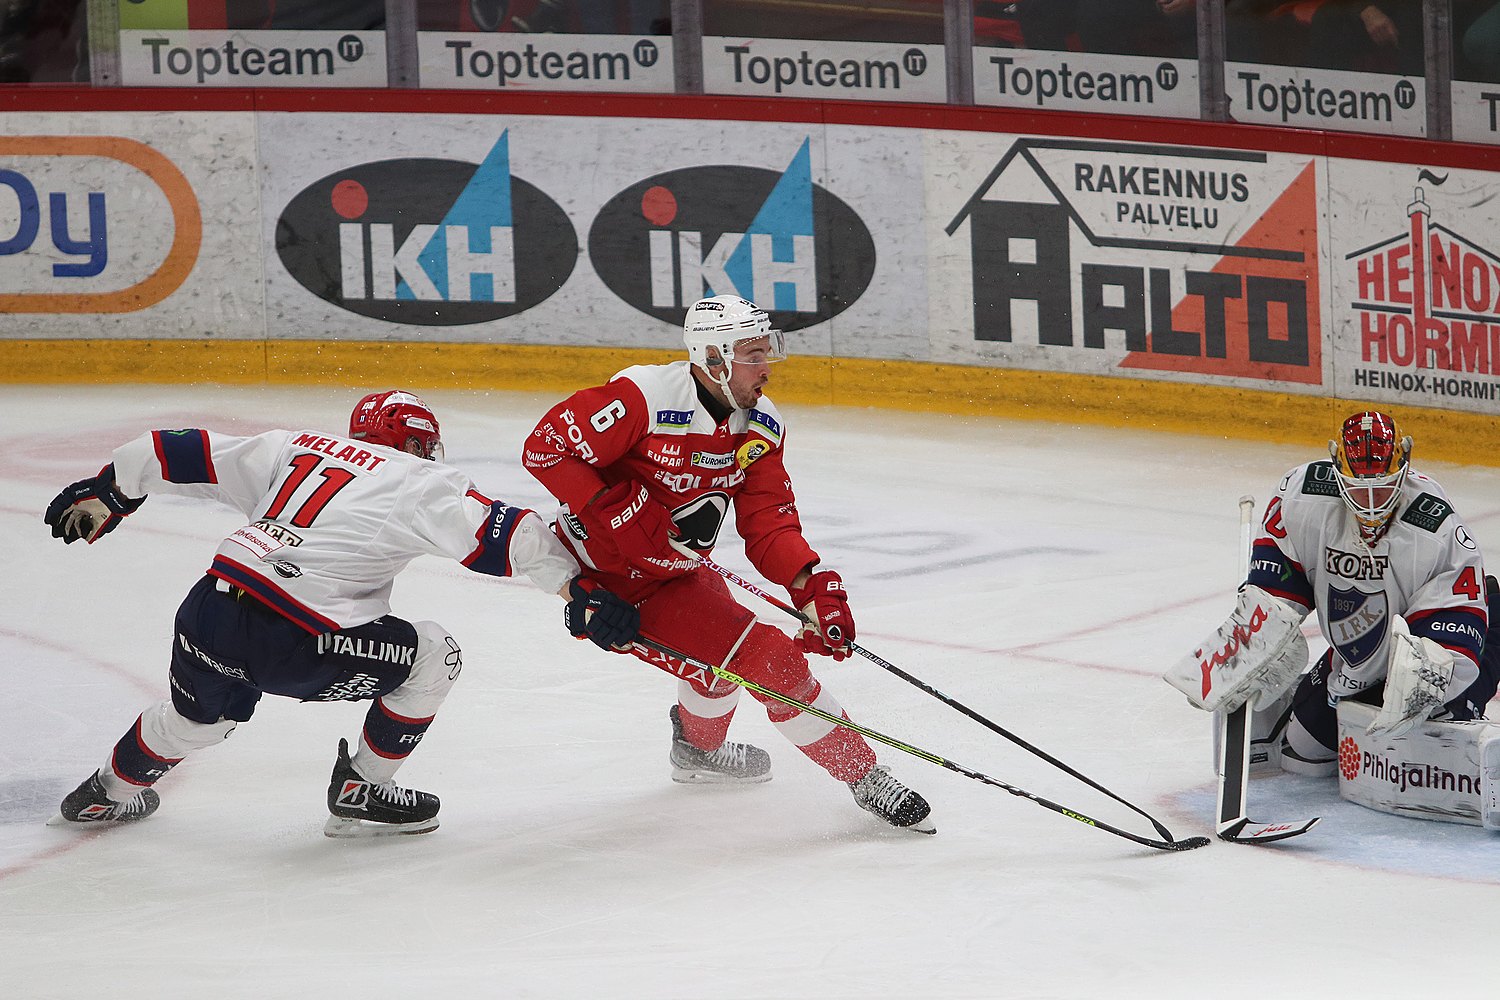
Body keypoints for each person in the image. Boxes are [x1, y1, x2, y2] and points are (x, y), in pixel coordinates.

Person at [44, 390, 638, 837]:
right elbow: (515, 539)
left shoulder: (294, 447)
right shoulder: (418, 479)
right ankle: (363, 787)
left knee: (198, 720)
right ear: (413, 445)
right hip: (296, 641)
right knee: (435, 654)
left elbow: (165, 450)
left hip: (206, 611)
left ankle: (105, 793)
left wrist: (109, 491)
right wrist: (579, 592)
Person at [521, 295, 935, 833]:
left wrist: (810, 586)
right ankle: (864, 775)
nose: (767, 367)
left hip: (675, 573)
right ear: (714, 357)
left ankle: (696, 752)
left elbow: (768, 524)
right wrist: (611, 507)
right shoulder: (644, 397)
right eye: (753, 354)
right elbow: (544, 448)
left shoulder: (761, 427)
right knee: (769, 662)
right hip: (609, 582)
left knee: (722, 670)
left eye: (768, 351)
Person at [1166, 411, 1497, 774]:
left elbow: (1453, 616)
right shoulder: (1302, 495)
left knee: (1429, 724)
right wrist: (1253, 638)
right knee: (1304, 756)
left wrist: (1430, 673)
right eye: (1358, 490)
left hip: (1417, 641)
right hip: (1359, 653)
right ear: (1338, 472)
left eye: (1384, 487)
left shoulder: (1434, 522)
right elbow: (1277, 586)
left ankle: (1495, 615)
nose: (1371, 505)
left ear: (1404, 468)